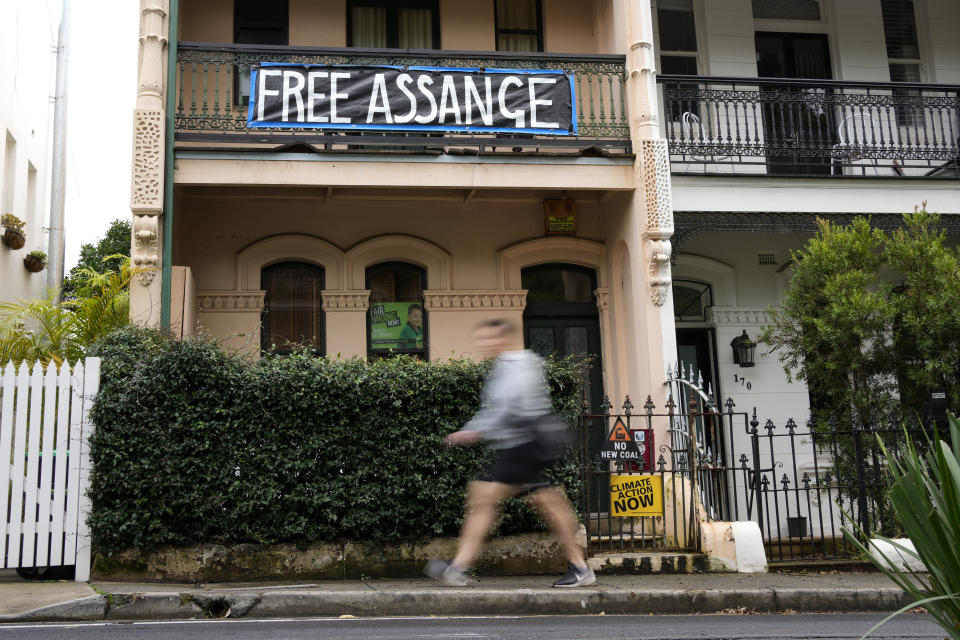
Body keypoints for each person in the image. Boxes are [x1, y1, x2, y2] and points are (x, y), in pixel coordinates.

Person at [424, 319, 596, 588]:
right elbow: (497, 411)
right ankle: (579, 566)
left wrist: (472, 432)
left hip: (524, 445)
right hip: (517, 447)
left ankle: (459, 566)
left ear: (504, 338)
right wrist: (474, 430)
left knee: (487, 498)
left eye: (490, 338)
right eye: (483, 339)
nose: (485, 344)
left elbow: (507, 410)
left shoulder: (521, 365)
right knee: (545, 503)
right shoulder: (504, 367)